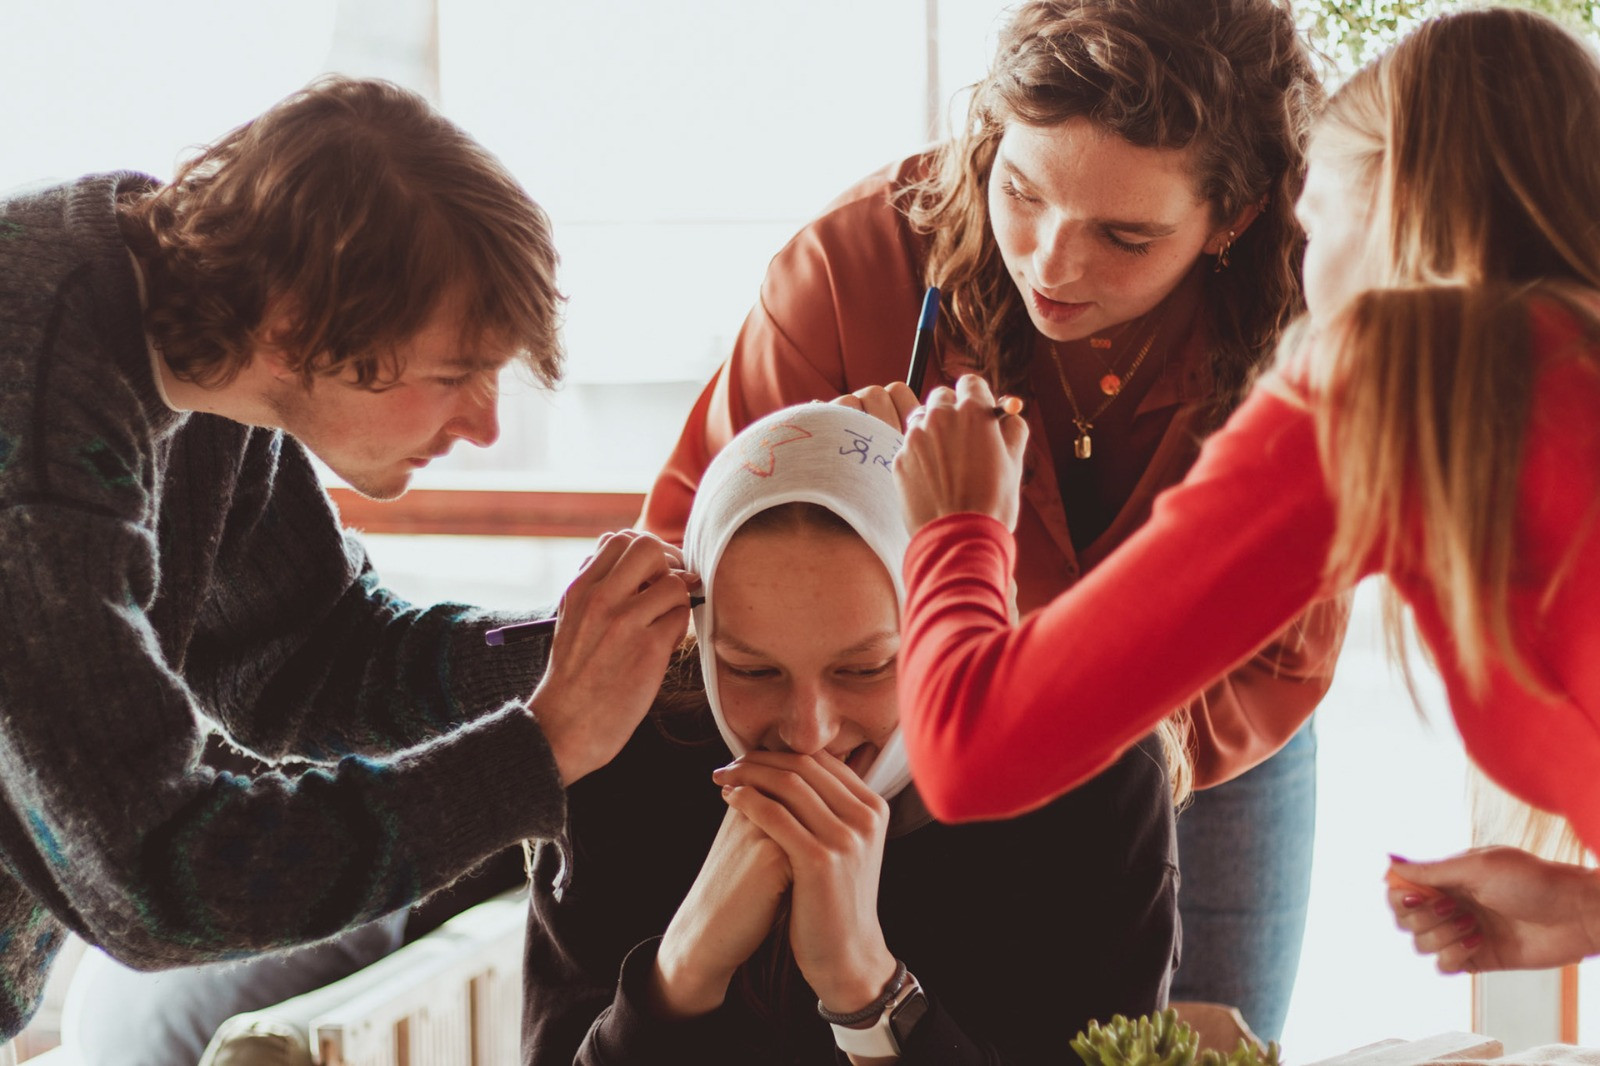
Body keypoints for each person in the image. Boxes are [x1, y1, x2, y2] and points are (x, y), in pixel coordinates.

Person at [639, 0, 1346, 1037]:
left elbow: (1276, 657)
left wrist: (965, 572)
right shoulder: (851, 271)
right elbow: (686, 570)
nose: (1052, 263)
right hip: (864, 744)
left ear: (1230, 221)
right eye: (1020, 191)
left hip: (1196, 748)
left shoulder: (1312, 329)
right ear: (989, 139)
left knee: (1171, 1046)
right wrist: (818, 471)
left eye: (1125, 235)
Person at [890, 6, 1600, 981]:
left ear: (1387, 206)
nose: (1309, 278)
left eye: (1313, 224)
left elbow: (970, 752)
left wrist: (959, 523)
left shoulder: (1384, 378)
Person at [0, 76, 690, 1039]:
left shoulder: (204, 346)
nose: (488, 426)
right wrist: (539, 754)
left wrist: (603, 655)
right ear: (293, 330)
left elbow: (308, 661)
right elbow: (154, 880)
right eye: (456, 375)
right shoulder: (34, 418)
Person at [523, 402, 1180, 1065]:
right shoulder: (628, 744)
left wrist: (867, 988)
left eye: (864, 669)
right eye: (751, 669)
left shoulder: (1095, 773)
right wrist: (682, 969)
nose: (810, 733)